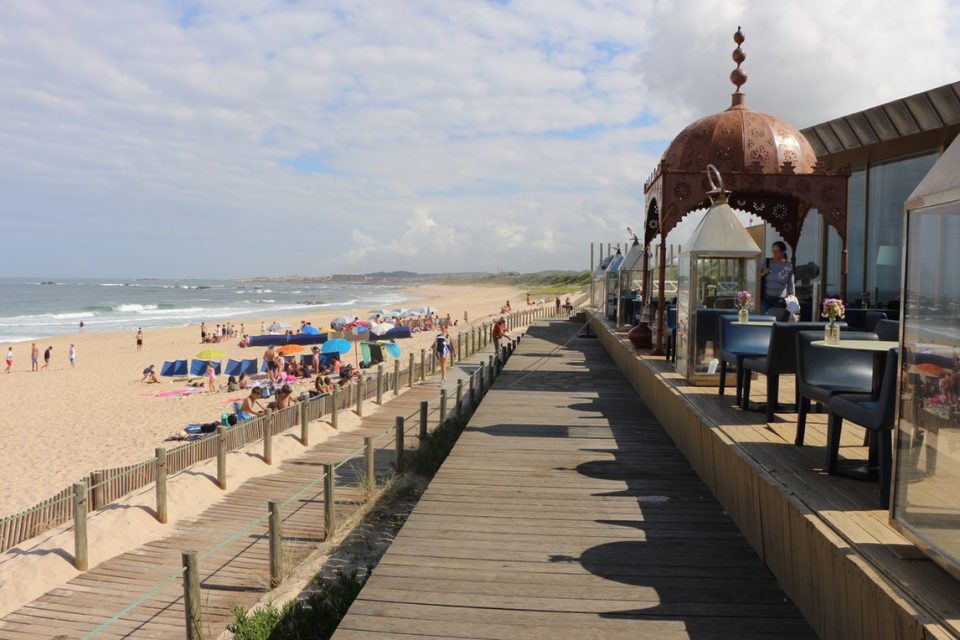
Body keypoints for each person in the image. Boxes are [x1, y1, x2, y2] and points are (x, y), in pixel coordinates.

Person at [760, 241, 796, 314]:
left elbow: (790, 283)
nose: (774, 253)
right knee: (763, 319)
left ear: (783, 252)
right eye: (773, 251)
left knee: (775, 320)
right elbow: (755, 277)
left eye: (777, 251)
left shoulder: (788, 266)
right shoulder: (766, 262)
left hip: (780, 300)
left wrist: (792, 297)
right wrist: (763, 273)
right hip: (765, 298)